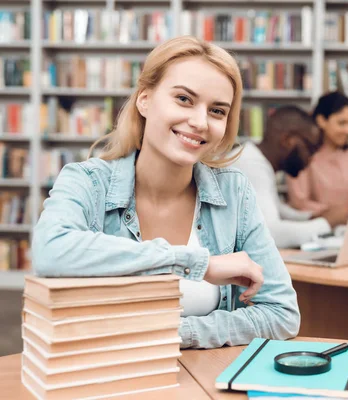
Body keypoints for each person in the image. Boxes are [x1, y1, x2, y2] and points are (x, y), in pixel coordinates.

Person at [30, 36, 300, 349]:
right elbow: (50, 251)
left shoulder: (234, 193)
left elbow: (282, 314)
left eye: (217, 111)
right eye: (184, 99)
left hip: (204, 383)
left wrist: (174, 332)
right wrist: (199, 265)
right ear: (144, 99)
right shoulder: (87, 182)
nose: (200, 122)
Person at [232, 106, 348, 248]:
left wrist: (312, 217)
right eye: (310, 150)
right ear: (288, 140)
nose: (311, 160)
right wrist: (327, 222)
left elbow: (276, 210)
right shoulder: (250, 165)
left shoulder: (254, 159)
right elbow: (269, 234)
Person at [286, 92, 348, 221]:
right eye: (342, 123)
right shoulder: (301, 155)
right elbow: (299, 204)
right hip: (315, 230)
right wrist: (339, 214)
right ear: (322, 121)